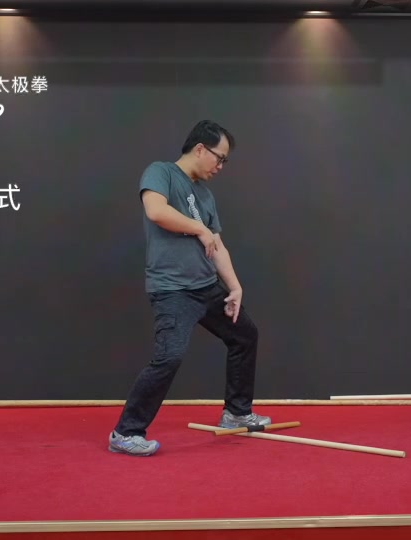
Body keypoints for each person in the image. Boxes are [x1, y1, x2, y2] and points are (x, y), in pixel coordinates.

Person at [109, 120, 271, 456]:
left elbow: (217, 246)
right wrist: (199, 228)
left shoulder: (205, 195)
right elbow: (156, 211)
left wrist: (235, 287)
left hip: (207, 287)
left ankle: (236, 412)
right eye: (219, 158)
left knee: (245, 335)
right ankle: (125, 433)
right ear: (200, 149)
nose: (221, 166)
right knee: (169, 357)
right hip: (173, 290)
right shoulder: (161, 173)